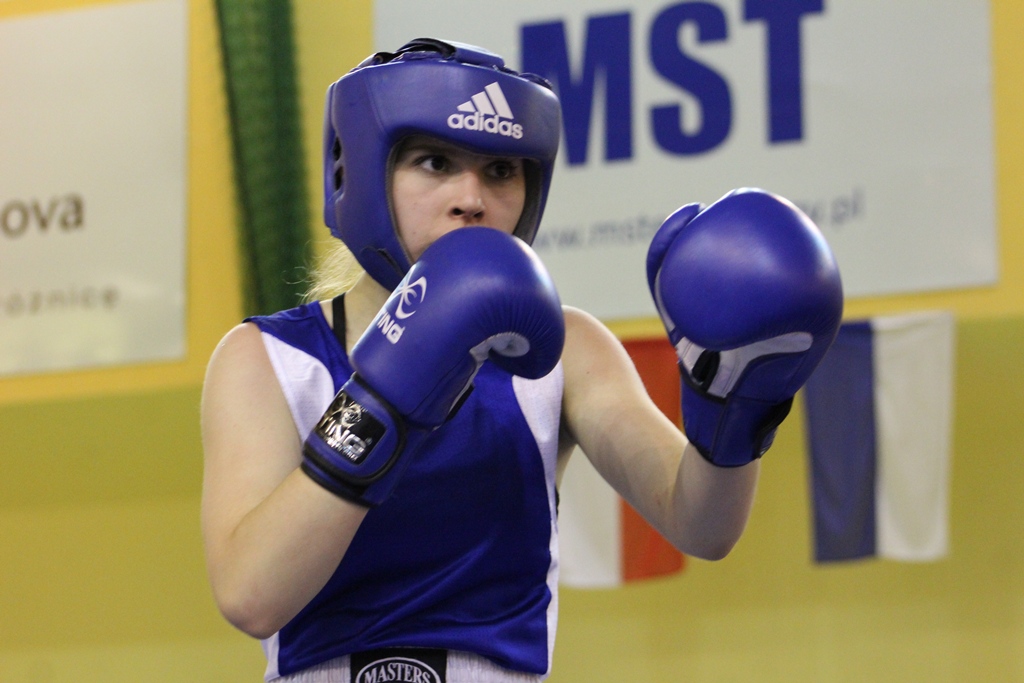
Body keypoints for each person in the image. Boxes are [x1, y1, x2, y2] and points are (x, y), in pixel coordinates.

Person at [200, 38, 843, 683]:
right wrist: (388, 395)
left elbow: (702, 526)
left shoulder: (570, 351)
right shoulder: (270, 358)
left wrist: (735, 401)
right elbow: (251, 596)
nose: (472, 198)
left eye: (502, 170)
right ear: (358, 171)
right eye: (434, 162)